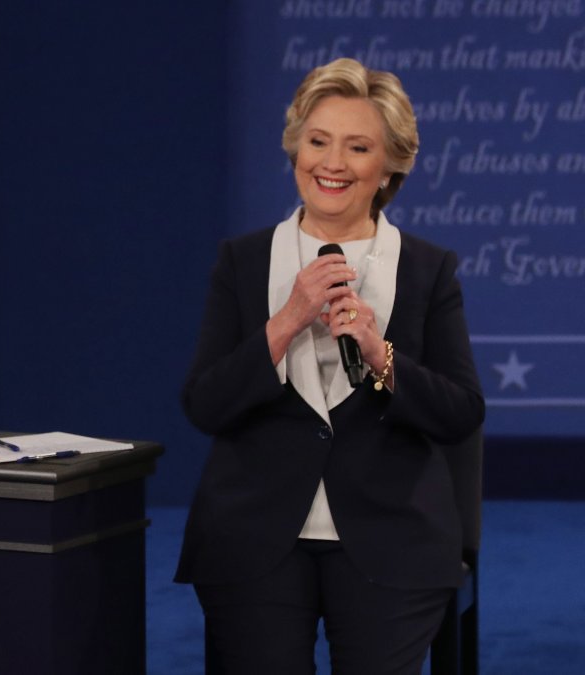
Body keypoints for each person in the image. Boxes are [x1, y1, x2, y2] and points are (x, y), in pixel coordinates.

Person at [174, 57, 485, 674]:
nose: (332, 164)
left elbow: (460, 412)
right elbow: (204, 404)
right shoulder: (243, 261)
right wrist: (288, 320)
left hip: (393, 541)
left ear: (391, 162)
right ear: (295, 148)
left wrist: (381, 355)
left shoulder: (428, 268)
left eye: (357, 146)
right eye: (317, 141)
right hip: (255, 540)